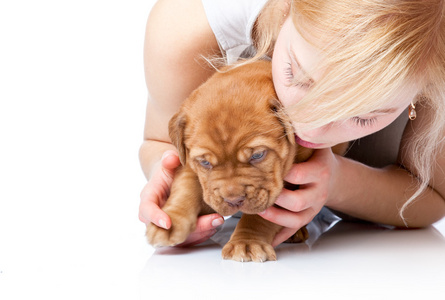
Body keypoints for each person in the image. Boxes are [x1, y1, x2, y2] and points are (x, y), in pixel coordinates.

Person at [139, 0, 445, 247]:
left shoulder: (434, 56)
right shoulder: (186, 29)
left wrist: (337, 182)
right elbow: (159, 144)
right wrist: (170, 186)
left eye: (363, 115)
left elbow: (433, 199)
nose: (309, 129)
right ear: (286, 7)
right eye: (298, 77)